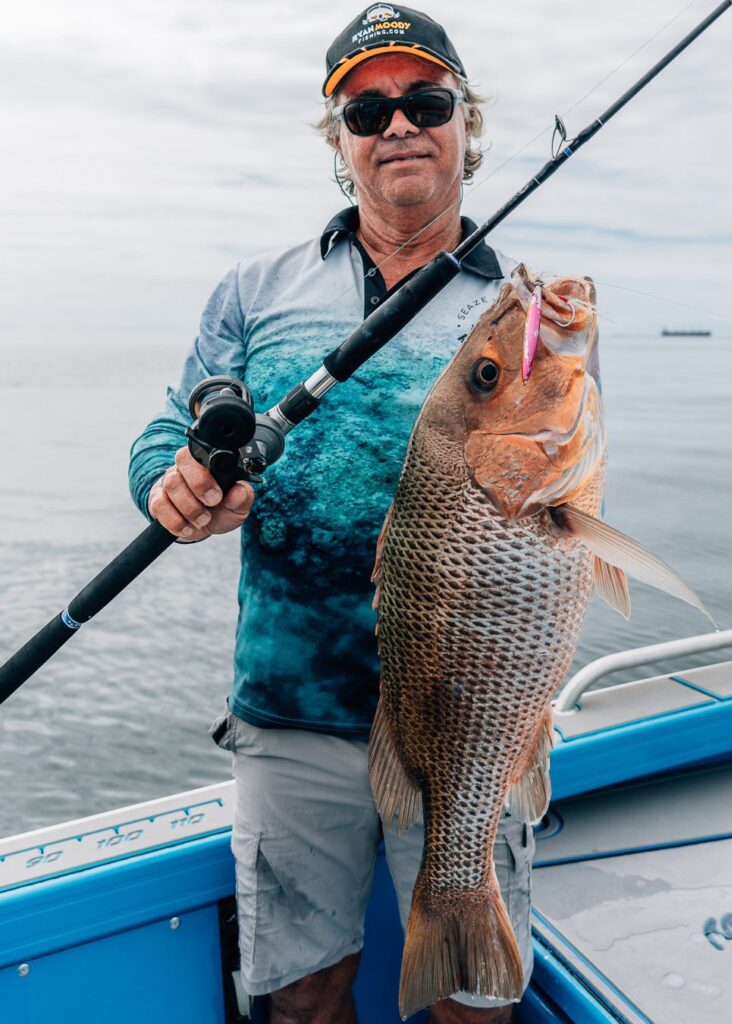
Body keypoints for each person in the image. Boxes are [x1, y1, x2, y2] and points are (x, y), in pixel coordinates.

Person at [129, 7, 574, 1022]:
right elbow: (171, 424)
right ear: (339, 142)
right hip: (292, 712)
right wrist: (171, 480)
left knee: (472, 997)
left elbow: (559, 499)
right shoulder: (255, 290)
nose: (399, 127)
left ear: (467, 125)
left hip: (475, 706)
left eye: (426, 102)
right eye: (368, 111)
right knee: (302, 994)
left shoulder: (528, 314)